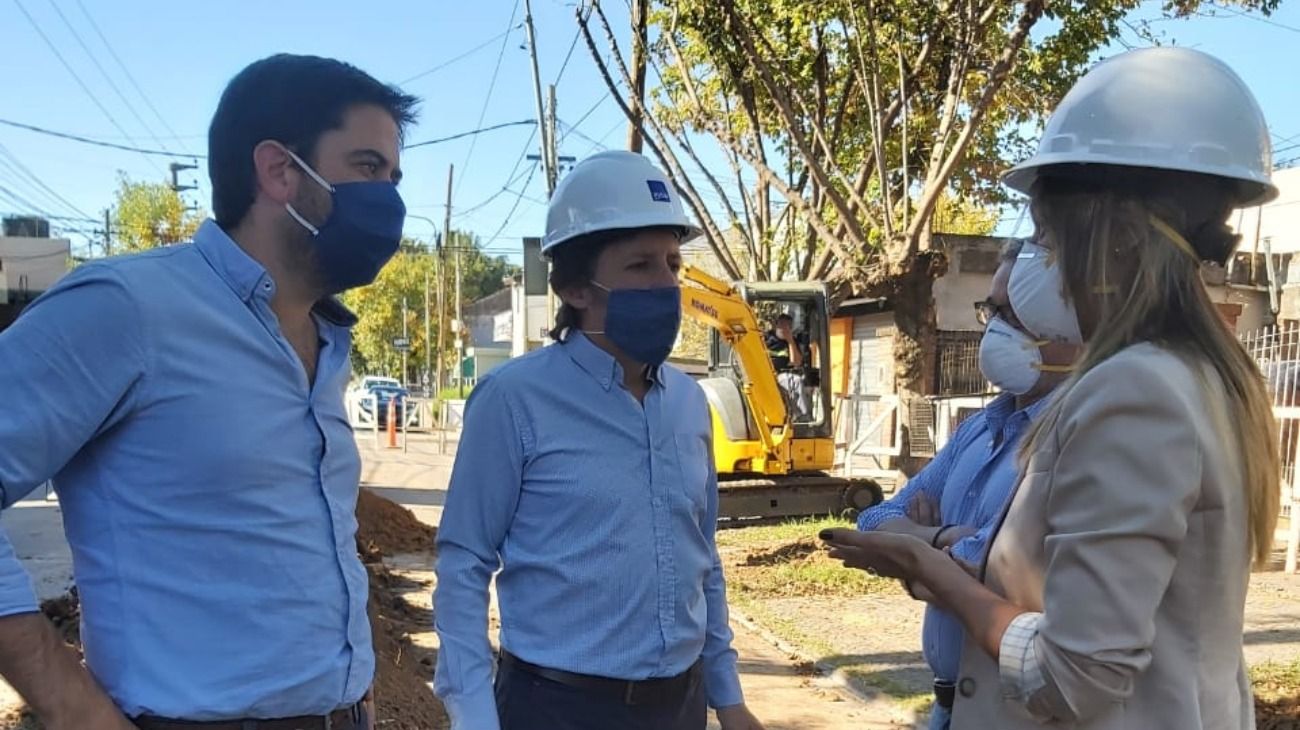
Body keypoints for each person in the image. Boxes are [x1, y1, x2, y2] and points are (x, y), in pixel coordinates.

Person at [822, 46, 1280, 729]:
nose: (1034, 265)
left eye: (1045, 236)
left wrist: (931, 567)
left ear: (1120, 235)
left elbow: (1072, 680)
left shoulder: (1134, 391)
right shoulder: (1210, 375)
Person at [0, 55, 417, 729]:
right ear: (280, 170)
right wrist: (74, 710)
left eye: (395, 176)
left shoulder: (326, 340)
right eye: (369, 168)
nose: (391, 199)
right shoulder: (127, 307)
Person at [434, 150, 764, 730]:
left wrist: (727, 696)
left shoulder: (689, 404)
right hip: (556, 707)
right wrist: (473, 717)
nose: (666, 285)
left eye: (672, 263)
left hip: (679, 707)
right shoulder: (514, 400)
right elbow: (464, 564)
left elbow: (702, 561)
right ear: (573, 287)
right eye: (640, 266)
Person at [854, 238, 1077, 730]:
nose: (997, 330)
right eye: (992, 311)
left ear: (1073, 324)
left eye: (1016, 316)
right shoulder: (980, 428)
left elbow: (990, 566)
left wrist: (916, 554)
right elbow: (871, 519)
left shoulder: (1073, 438)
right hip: (947, 707)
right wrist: (936, 540)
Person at [766, 313, 813, 421]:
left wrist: (790, 340)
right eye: (782, 325)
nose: (784, 328)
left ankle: (802, 417)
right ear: (776, 325)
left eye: (788, 326)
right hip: (766, 374)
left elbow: (796, 362)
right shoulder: (766, 339)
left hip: (781, 375)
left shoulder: (792, 342)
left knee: (796, 381)